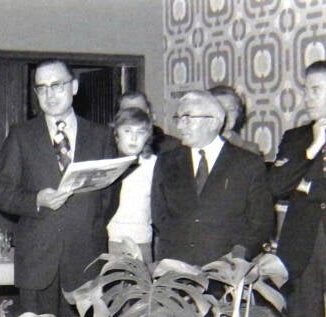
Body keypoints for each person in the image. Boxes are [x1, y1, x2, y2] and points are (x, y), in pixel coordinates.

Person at [0, 59, 117, 317]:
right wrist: (36, 200)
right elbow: (1, 192)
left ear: (74, 87)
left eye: (57, 85)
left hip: (86, 259)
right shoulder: (21, 135)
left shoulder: (101, 136)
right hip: (37, 261)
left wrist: (83, 223)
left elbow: (109, 198)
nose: (50, 94)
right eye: (42, 87)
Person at [272, 60, 326, 317]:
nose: (307, 98)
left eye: (316, 90)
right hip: (300, 252)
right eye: (305, 90)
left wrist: (309, 186)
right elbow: (276, 186)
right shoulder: (297, 138)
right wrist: (311, 150)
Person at [151, 90, 272, 266]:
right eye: (178, 118)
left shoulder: (248, 164)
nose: (180, 126)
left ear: (213, 122)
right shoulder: (166, 161)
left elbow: (260, 223)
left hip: (225, 269)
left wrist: (238, 257)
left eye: (187, 118)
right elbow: (159, 215)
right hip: (176, 268)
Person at [107, 107, 156, 264]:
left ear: (148, 136)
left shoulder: (153, 164)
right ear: (116, 133)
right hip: (110, 238)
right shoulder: (106, 161)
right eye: (127, 131)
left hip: (141, 240)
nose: (134, 138)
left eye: (140, 132)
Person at [118, 90, 180, 155]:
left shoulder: (173, 148)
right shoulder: (111, 148)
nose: (134, 118)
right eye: (128, 113)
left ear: (150, 115)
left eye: (139, 113)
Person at [209, 85, 261, 154]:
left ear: (238, 114)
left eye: (231, 109)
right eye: (220, 108)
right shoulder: (197, 145)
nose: (226, 115)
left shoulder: (248, 149)